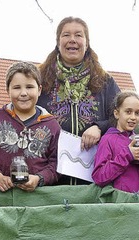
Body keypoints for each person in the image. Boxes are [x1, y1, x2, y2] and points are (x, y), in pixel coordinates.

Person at [38, 16, 121, 184]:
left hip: (94, 175)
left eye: (78, 35)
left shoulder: (105, 81)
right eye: (66, 35)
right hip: (49, 176)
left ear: (87, 42)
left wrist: (100, 127)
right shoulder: (40, 80)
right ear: (58, 42)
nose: (72, 40)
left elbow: (122, 116)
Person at [0, 61, 60, 192]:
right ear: (7, 90)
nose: (23, 93)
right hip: (0, 195)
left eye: (29, 87)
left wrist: (39, 178)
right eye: (16, 88)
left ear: (39, 90)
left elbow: (56, 163)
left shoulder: (52, 125)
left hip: (38, 197)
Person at [92, 91, 139, 193]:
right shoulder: (108, 140)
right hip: (120, 203)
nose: (133, 117)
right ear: (117, 113)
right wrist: (127, 155)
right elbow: (99, 176)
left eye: (137, 113)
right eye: (128, 112)